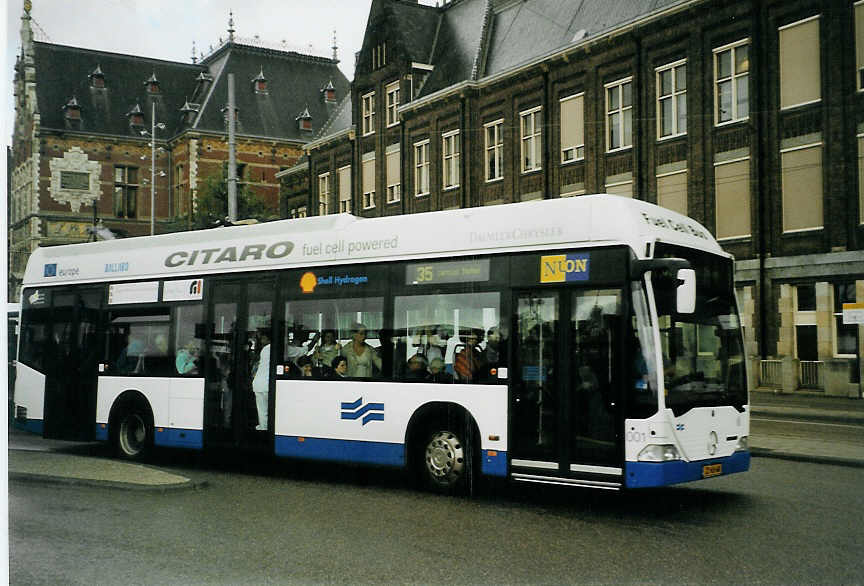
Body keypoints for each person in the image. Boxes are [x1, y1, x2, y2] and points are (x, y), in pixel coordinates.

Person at [252, 331, 271, 431]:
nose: (261, 341)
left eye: (263, 338)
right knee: (268, 410)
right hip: (267, 384)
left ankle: (263, 428)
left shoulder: (265, 349)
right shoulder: (270, 348)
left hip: (259, 384)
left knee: (262, 410)